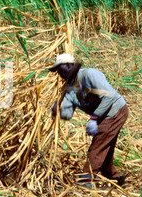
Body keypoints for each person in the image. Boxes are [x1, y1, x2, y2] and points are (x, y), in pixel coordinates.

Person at [50, 54, 129, 187]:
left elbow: (109, 97)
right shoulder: (70, 90)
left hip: (115, 110)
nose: (59, 73)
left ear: (70, 66)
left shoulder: (89, 75)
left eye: (60, 69)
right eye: (57, 71)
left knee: (97, 147)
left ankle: (87, 179)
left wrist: (94, 118)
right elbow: (68, 114)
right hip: (102, 116)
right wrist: (57, 110)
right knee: (105, 146)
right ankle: (114, 178)